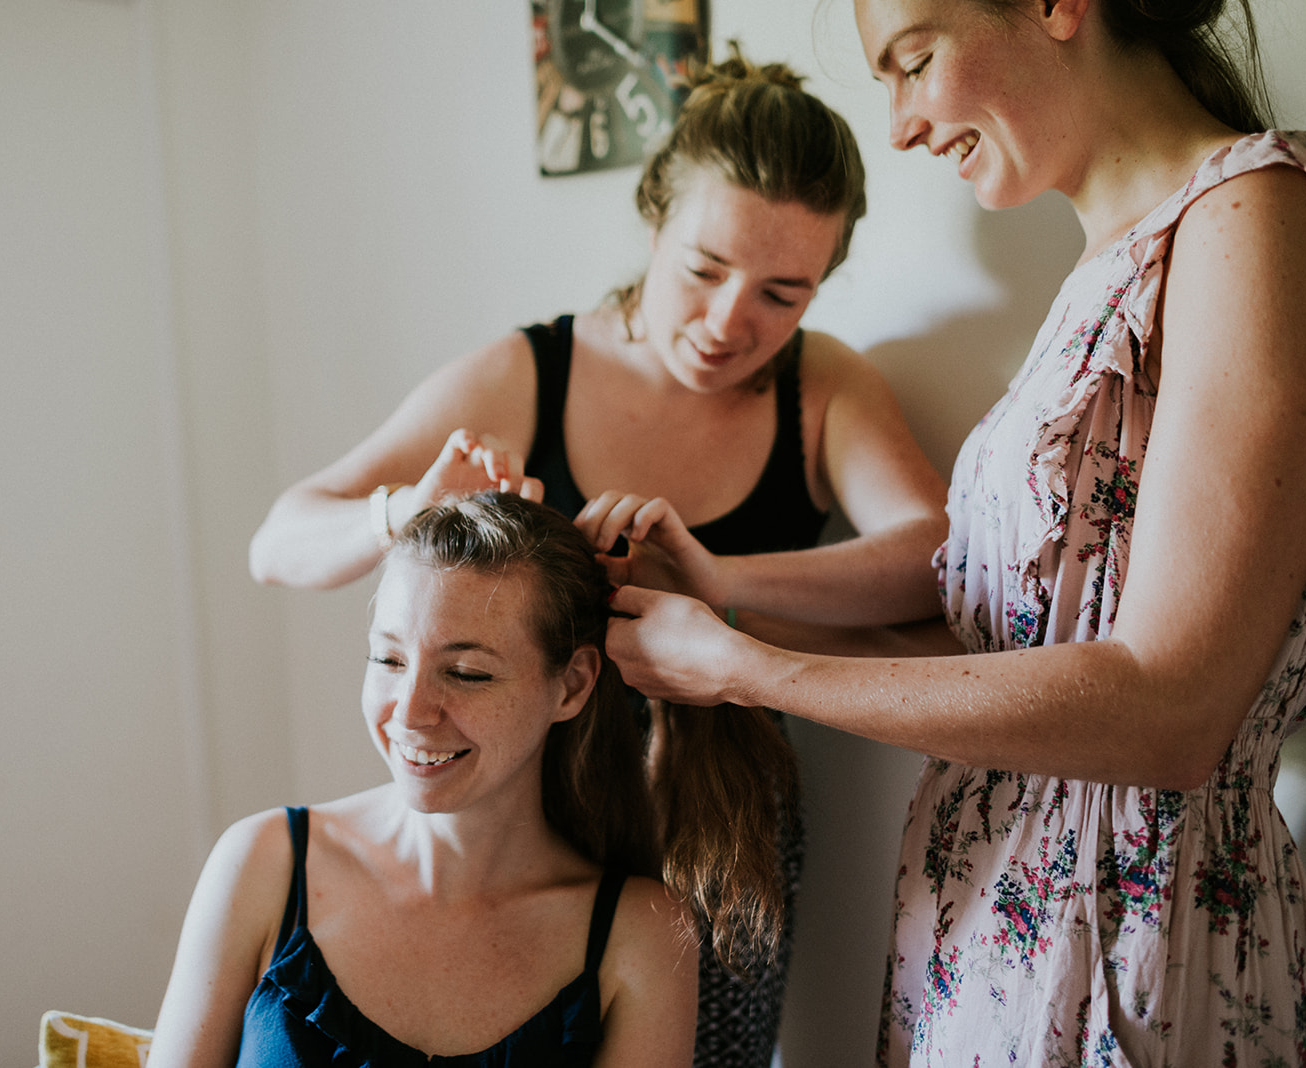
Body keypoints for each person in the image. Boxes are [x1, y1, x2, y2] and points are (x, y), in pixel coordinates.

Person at [597, 0, 1306, 1062]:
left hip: (1142, 940)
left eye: (914, 61)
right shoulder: (1102, 267)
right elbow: (1001, 662)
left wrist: (745, 669)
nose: (895, 126)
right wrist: (718, 597)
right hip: (987, 931)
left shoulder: (1251, 218)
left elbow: (1173, 709)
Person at [248, 48, 949, 1064]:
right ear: (654, 221)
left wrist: (714, 586)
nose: (725, 324)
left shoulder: (824, 389)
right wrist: (404, 509)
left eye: (780, 295)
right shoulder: (530, 372)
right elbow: (279, 540)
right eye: (703, 271)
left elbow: (932, 568)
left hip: (727, 820)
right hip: (533, 798)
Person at [148, 492, 696, 1067]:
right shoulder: (265, 865)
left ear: (572, 685)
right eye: (388, 660)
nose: (411, 713)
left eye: (466, 673)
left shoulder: (641, 936)